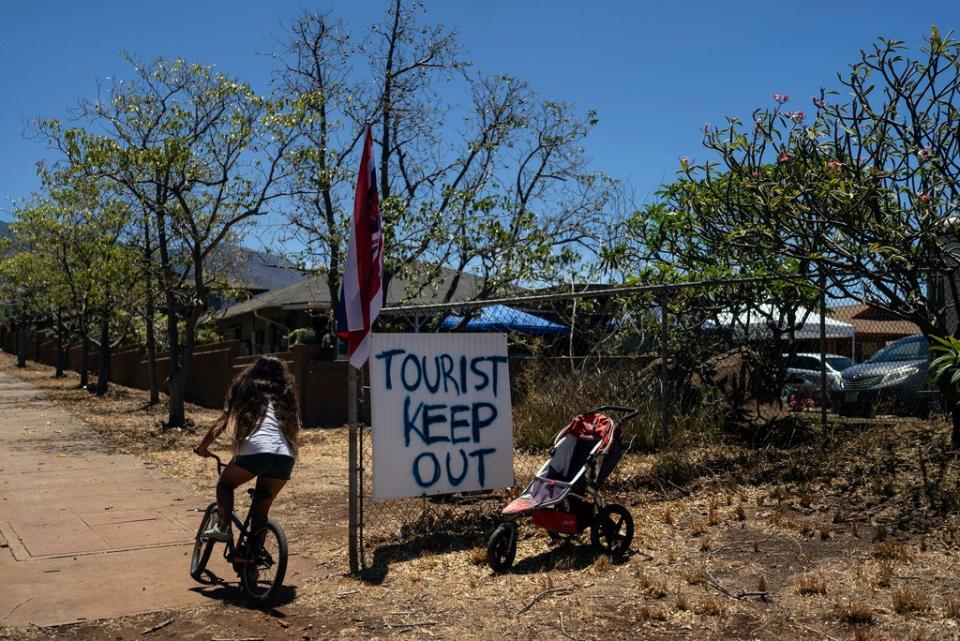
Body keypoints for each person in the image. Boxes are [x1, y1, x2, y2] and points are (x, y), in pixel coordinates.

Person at [194, 355, 301, 542]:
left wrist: (203, 446)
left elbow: (223, 422)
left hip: (256, 451)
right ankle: (252, 564)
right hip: (285, 457)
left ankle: (224, 526)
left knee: (225, 484)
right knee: (261, 513)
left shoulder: (247, 391)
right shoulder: (285, 399)